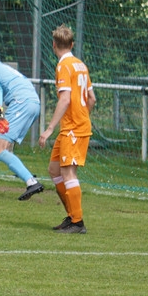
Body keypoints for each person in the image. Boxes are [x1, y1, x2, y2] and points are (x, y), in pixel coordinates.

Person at [38, 24, 96, 234]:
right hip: (72, 127)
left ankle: (77, 222)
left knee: (68, 173)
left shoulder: (63, 66)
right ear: (72, 44)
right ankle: (72, 216)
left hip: (73, 129)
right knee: (54, 170)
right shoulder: (80, 65)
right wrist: (83, 117)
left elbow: (64, 99)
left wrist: (49, 129)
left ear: (53, 45)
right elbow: (92, 99)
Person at [0, 41, 44, 200]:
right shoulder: (2, 67)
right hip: (33, 102)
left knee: (1, 150)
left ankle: (31, 182)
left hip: (21, 103)